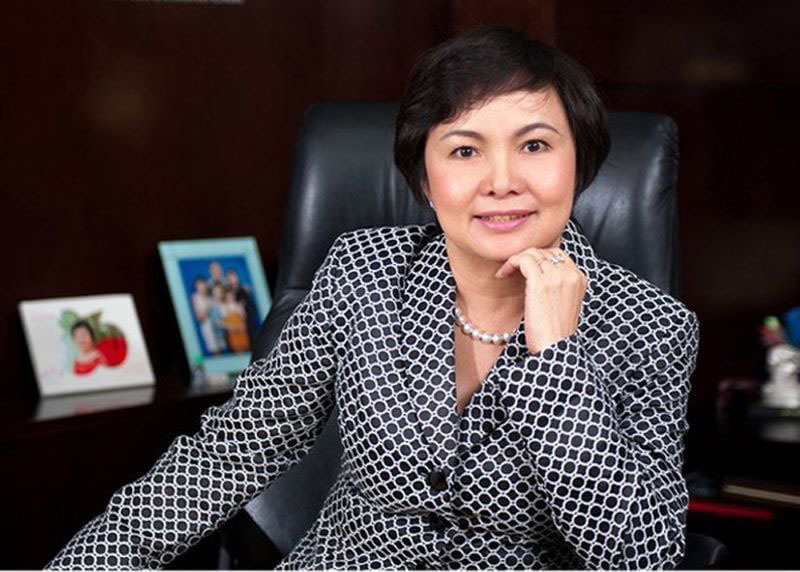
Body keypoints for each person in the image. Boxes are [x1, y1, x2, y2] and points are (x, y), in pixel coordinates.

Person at [48, 27, 698, 570]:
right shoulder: (363, 271)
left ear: (579, 164)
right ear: (424, 179)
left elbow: (642, 554)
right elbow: (232, 453)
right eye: (464, 150)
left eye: (534, 145)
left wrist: (557, 359)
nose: (502, 181)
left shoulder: (652, 325)